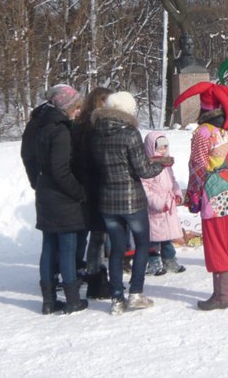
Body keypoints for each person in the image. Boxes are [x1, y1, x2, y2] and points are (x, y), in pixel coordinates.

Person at [91, 91, 169, 315]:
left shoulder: (96, 133)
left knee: (116, 248)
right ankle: (136, 293)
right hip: (132, 199)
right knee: (142, 243)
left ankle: (116, 297)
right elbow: (143, 170)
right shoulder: (129, 133)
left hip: (107, 199)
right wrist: (160, 164)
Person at [175, 82, 228, 310]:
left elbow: (198, 166)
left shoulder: (203, 132)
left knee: (216, 243)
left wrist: (193, 195)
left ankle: (221, 296)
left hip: (215, 192)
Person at [21, 85, 88, 315]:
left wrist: (37, 182)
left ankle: (48, 301)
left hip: (45, 193)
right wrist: (79, 192)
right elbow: (61, 170)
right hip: (62, 197)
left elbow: (28, 155)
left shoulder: (39, 123)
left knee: (49, 246)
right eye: (76, 107)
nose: (78, 112)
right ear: (67, 106)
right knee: (67, 247)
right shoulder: (59, 130)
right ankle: (72, 300)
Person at [70, 86, 112, 299]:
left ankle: (89, 274)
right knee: (97, 235)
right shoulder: (96, 126)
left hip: (83, 184)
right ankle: (96, 277)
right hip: (96, 184)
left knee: (91, 235)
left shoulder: (78, 125)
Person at [140, 132, 186, 276]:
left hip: (168, 203)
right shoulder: (146, 166)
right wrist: (158, 202)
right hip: (155, 207)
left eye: (165, 147)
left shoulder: (166, 164)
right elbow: (144, 188)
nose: (163, 150)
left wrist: (177, 194)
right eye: (160, 148)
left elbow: (173, 181)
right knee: (154, 236)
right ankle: (153, 262)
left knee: (167, 235)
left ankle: (169, 259)